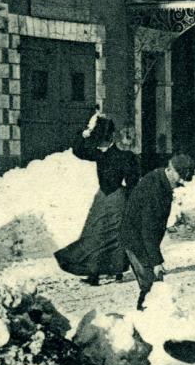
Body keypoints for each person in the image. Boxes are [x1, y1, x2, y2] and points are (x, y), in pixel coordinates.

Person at [55, 112, 141, 285]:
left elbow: (133, 181)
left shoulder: (119, 155)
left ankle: (112, 272)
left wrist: (130, 200)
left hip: (114, 197)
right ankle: (96, 273)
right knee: (96, 234)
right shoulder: (103, 154)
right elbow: (78, 150)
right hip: (106, 197)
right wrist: (85, 131)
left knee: (112, 236)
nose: (99, 143)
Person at [120, 153, 195, 310]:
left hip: (141, 237)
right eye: (180, 176)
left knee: (153, 285)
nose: (182, 181)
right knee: (151, 285)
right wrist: (156, 261)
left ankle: (149, 319)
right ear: (170, 169)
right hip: (136, 239)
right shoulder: (155, 190)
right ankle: (143, 321)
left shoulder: (161, 180)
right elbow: (148, 229)